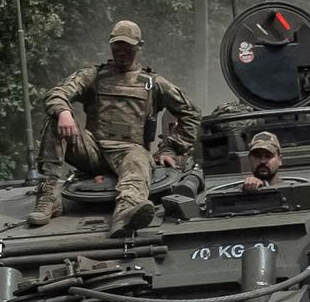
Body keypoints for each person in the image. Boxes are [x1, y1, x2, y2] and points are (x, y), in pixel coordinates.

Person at [29, 20, 201, 237]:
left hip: (130, 151)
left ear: (139, 46)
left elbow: (191, 112)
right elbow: (57, 93)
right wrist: (63, 112)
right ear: (110, 46)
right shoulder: (93, 76)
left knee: (138, 162)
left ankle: (127, 213)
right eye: (117, 46)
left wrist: (170, 148)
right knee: (54, 119)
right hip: (92, 150)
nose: (122, 51)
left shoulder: (152, 83)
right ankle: (49, 197)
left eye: (128, 46)